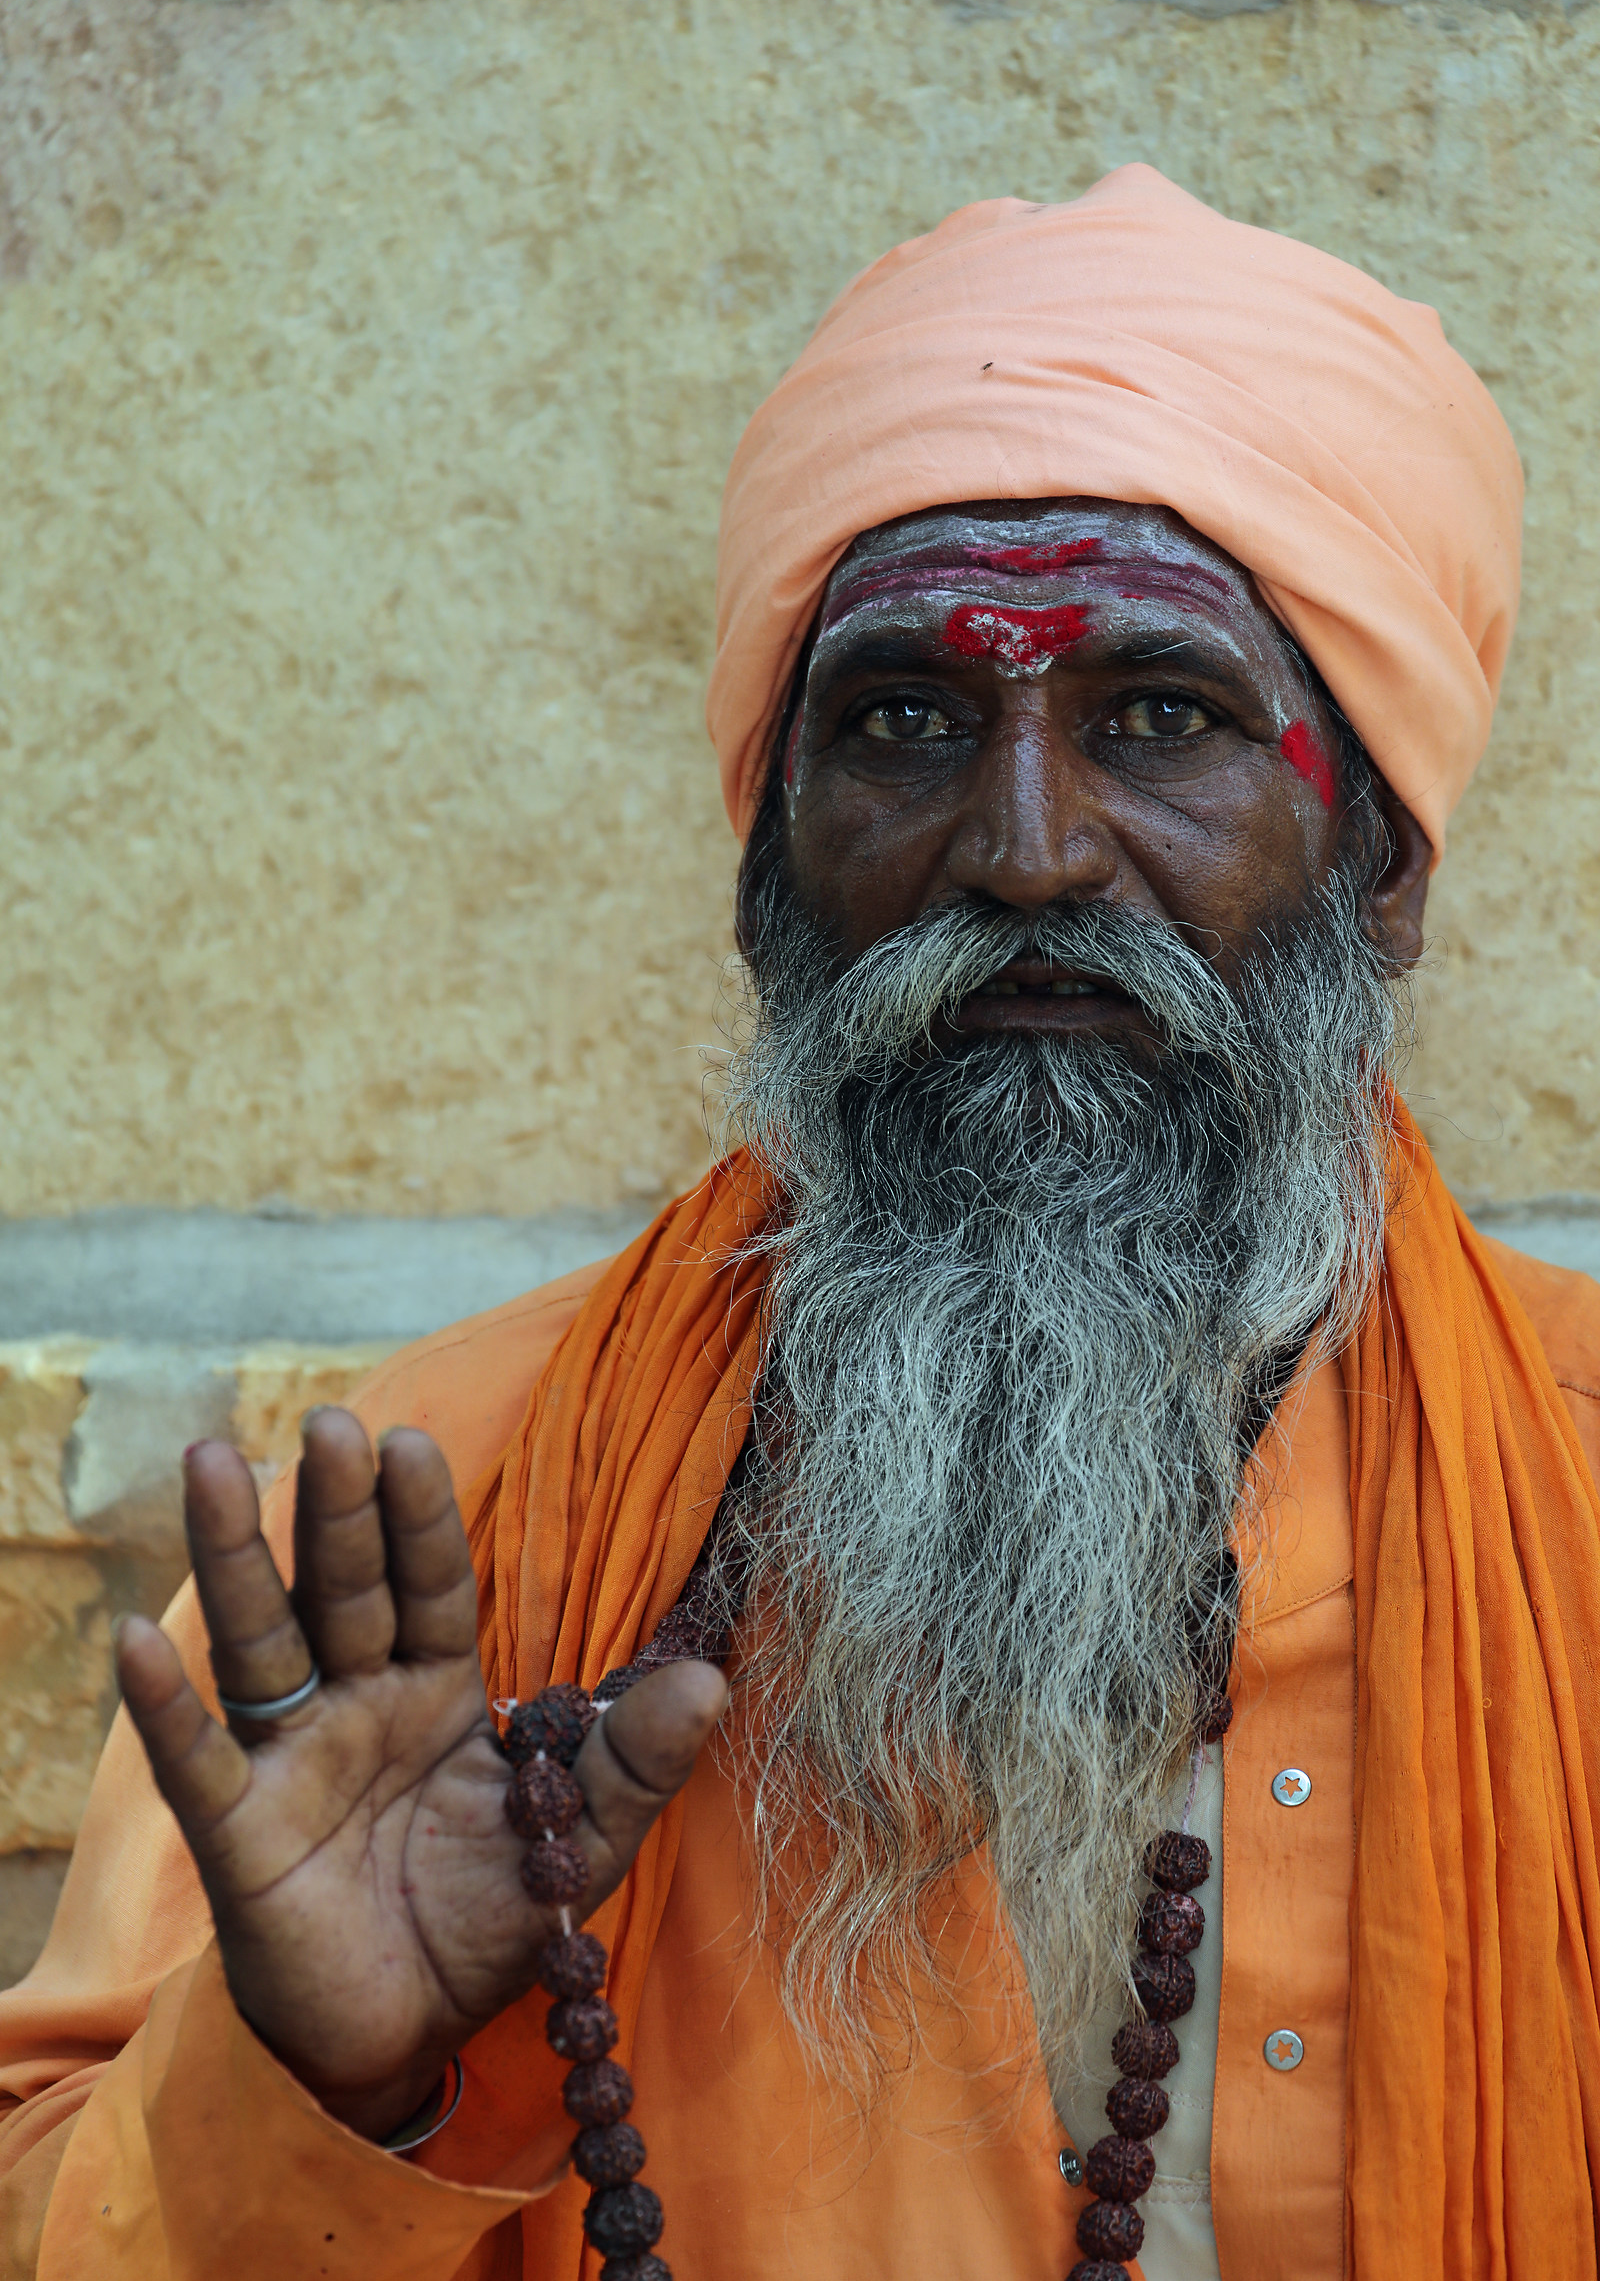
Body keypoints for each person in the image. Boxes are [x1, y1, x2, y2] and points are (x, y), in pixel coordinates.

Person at [1, 165, 1596, 2281]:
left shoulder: (1571, 1503)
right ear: (773, 868)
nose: (1023, 852)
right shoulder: (434, 1519)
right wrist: (327, 2087)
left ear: (1378, 857)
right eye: (908, 722)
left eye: (1160, 716)